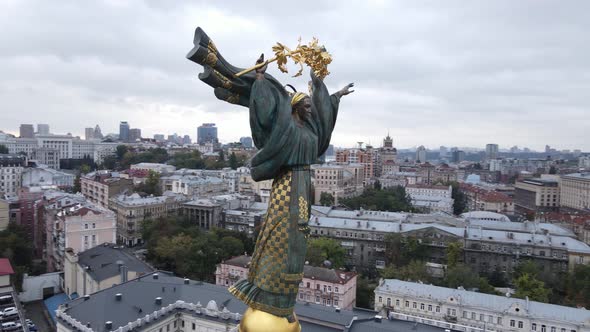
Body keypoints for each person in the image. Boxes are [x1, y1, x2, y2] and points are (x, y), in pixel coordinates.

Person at [228, 54, 354, 321]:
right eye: (305, 105)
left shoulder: (311, 130)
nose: (310, 109)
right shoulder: (285, 129)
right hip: (287, 183)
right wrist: (260, 78)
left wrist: (333, 95)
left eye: (310, 105)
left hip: (304, 183)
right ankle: (268, 291)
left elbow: (323, 117)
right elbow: (264, 117)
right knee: (282, 231)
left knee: (299, 236)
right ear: (295, 108)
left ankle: (284, 295)